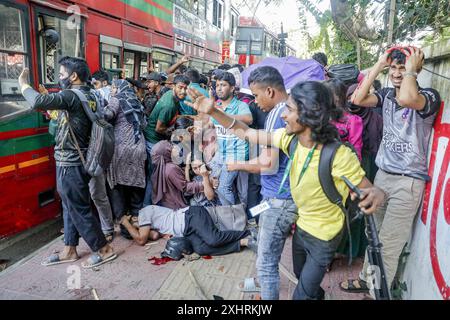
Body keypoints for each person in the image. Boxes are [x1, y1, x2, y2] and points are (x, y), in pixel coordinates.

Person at [186, 80, 385, 300]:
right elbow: (248, 134)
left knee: (301, 295)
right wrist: (214, 111)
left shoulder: (339, 156)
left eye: (289, 110)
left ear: (309, 114)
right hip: (302, 230)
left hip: (324, 238)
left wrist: (376, 194)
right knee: (301, 276)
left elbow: (372, 190)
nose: (283, 115)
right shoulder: (290, 139)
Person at [341, 47, 441, 296]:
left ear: (414, 68)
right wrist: (378, 66)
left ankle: (378, 293)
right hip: (382, 176)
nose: (397, 73)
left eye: (402, 68)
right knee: (372, 234)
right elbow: (357, 100)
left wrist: (410, 72)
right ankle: (367, 280)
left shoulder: (428, 96)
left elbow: (408, 99)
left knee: (387, 247)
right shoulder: (385, 95)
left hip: (407, 183)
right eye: (394, 68)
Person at [18, 57, 116, 269]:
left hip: (71, 161)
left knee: (78, 207)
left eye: (61, 74)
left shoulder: (71, 95)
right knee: (69, 204)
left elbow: (37, 102)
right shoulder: (91, 94)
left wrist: (24, 84)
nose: (59, 78)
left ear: (73, 76)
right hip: (81, 158)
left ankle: (104, 249)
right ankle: (69, 249)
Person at [226, 66, 297, 300]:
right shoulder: (289, 110)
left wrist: (237, 165)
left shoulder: (279, 114)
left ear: (269, 90)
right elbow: (248, 134)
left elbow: (268, 164)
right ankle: (263, 287)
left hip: (279, 198)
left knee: (266, 261)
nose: (255, 102)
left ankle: (266, 293)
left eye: (256, 95)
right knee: (267, 253)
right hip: (278, 195)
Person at [120, 205, 254, 256]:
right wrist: (135, 228)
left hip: (191, 216)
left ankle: (250, 233)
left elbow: (141, 240)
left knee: (213, 239)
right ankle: (242, 242)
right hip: (187, 231)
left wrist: (126, 223)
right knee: (202, 249)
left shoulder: (143, 212)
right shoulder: (149, 226)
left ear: (132, 219)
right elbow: (154, 236)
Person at [104, 79, 147, 233]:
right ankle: (136, 214)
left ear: (117, 88)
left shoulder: (117, 99)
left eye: (112, 87)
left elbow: (107, 115)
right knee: (136, 182)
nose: (111, 90)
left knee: (116, 183)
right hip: (138, 145)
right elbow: (144, 124)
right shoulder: (134, 99)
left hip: (122, 148)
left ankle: (122, 217)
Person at [142, 74, 190, 206]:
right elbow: (159, 128)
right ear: (173, 86)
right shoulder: (169, 105)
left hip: (155, 140)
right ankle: (148, 207)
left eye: (186, 88)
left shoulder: (170, 95)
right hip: (154, 141)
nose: (183, 91)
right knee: (155, 177)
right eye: (180, 87)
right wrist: (177, 133)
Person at [211, 72, 253, 207]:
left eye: (223, 85)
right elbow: (211, 125)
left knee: (224, 188)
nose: (219, 88)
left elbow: (249, 119)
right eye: (217, 85)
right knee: (212, 179)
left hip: (236, 154)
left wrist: (224, 115)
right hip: (221, 153)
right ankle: (224, 213)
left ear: (232, 88)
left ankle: (232, 218)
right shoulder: (216, 105)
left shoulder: (240, 105)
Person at [151, 140, 205, 210]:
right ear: (167, 153)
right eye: (171, 147)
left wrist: (187, 167)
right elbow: (185, 188)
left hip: (167, 204)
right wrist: (204, 184)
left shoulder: (162, 166)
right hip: (176, 206)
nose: (175, 147)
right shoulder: (171, 169)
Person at [324, 79, 363, 160]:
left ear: (337, 97)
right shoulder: (323, 116)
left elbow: (356, 151)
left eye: (325, 95)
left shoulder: (352, 121)